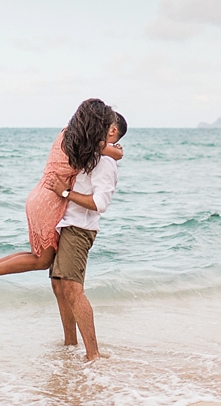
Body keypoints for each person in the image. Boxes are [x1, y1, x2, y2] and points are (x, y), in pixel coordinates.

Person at [0, 99, 122, 300]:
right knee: (41, 261)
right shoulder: (84, 142)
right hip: (50, 199)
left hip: (40, 196)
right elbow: (117, 154)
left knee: (37, 256)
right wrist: (117, 148)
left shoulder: (69, 133)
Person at [44, 112, 126, 361]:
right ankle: (70, 344)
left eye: (105, 122)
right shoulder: (95, 154)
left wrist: (66, 193)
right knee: (59, 286)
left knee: (72, 288)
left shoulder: (105, 163)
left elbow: (100, 203)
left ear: (112, 131)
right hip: (67, 225)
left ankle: (93, 354)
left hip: (80, 229)